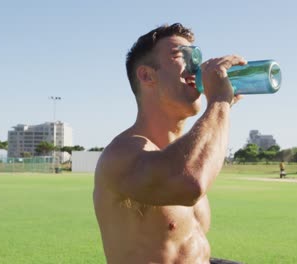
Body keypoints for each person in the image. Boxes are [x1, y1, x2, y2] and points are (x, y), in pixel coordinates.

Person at [93, 23, 245, 264]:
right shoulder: (122, 154)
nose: (196, 65)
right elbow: (190, 182)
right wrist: (218, 102)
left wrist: (222, 105)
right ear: (147, 75)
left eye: (196, 55)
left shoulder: (184, 153)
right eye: (181, 55)